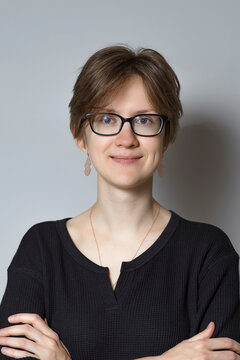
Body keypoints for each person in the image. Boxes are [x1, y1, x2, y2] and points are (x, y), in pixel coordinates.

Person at [0, 44, 239, 360]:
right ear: (79, 134)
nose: (126, 139)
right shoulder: (41, 250)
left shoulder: (209, 253)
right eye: (107, 119)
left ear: (166, 137)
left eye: (144, 120)